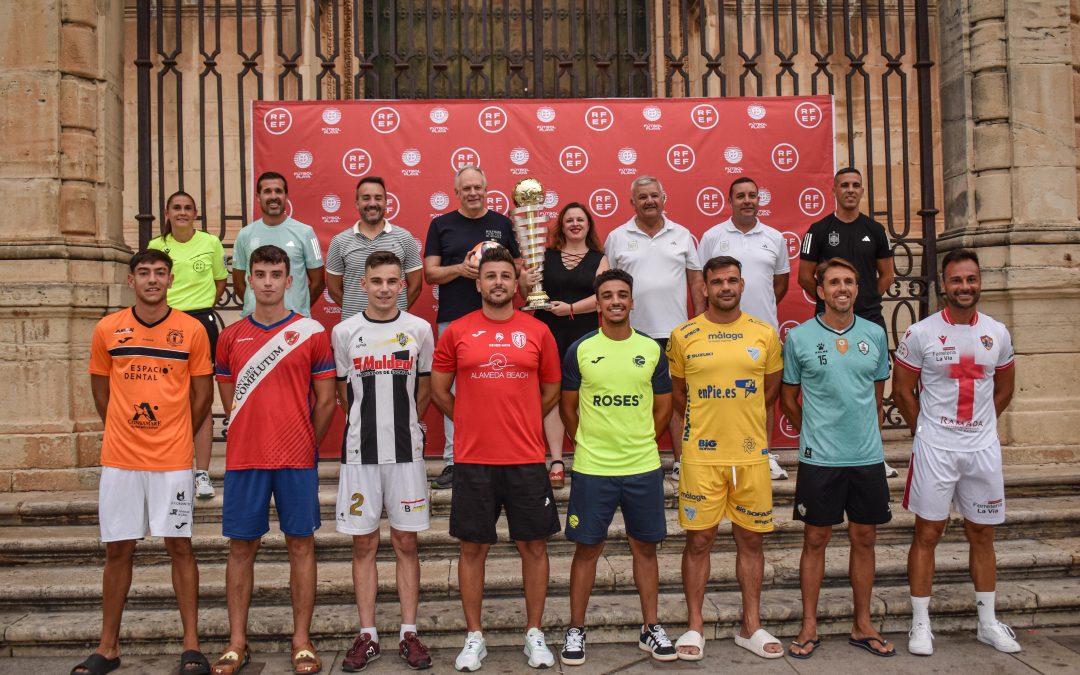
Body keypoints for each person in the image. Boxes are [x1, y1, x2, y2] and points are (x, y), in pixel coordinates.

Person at [77, 249, 213, 675]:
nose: (152, 279)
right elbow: (102, 391)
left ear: (171, 280)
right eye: (144, 273)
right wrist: (125, 428)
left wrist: (173, 435)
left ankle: (191, 646)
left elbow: (202, 397)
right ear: (131, 279)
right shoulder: (107, 329)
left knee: (179, 546)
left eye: (159, 272)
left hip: (172, 459)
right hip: (121, 458)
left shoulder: (191, 329)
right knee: (118, 548)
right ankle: (108, 647)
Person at [431, 247, 561, 671]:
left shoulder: (537, 331)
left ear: (516, 281)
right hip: (474, 459)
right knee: (473, 548)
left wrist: (522, 420)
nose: (499, 283)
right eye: (491, 276)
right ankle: (474, 637)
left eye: (507, 276)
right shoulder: (457, 331)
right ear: (478, 282)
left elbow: (552, 390)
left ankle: (534, 633)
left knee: (534, 546)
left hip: (525, 458)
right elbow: (439, 391)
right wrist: (469, 421)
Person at [211, 245, 337, 675]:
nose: (266, 281)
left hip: (295, 458)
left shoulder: (311, 332)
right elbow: (231, 401)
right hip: (245, 458)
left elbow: (325, 402)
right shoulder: (230, 336)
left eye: (275, 274)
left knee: (301, 545)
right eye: (259, 273)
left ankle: (301, 640)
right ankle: (236, 642)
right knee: (240, 547)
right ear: (250, 281)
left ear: (290, 280)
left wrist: (304, 439)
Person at [893, 248, 1019, 657]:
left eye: (971, 279)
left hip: (981, 449)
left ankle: (986, 622)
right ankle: (920, 623)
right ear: (943, 286)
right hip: (936, 448)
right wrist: (926, 430)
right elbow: (902, 391)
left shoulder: (997, 332)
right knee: (928, 532)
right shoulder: (921, 333)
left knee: (982, 533)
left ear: (979, 282)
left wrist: (980, 427)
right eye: (957, 280)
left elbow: (1003, 389)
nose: (965, 287)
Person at [667, 255, 783, 662]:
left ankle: (750, 626)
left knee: (750, 539)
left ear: (742, 284)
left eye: (732, 280)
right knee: (699, 540)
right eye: (717, 282)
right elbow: (679, 398)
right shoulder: (684, 335)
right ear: (705, 288)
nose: (725, 288)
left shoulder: (765, 334)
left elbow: (770, 393)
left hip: (749, 456)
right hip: (702, 457)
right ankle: (695, 625)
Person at [779, 258, 895, 659]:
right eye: (833, 282)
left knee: (865, 538)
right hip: (820, 458)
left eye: (848, 281)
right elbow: (789, 399)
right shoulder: (800, 338)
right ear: (820, 290)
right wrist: (815, 427)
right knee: (815, 539)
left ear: (857, 289)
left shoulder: (874, 334)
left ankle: (862, 624)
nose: (842, 288)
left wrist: (864, 430)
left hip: (865, 456)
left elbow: (877, 392)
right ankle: (809, 625)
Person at [558, 269, 674, 666]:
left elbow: (663, 407)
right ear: (598, 303)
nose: (616, 302)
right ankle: (576, 629)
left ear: (632, 301)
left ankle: (651, 627)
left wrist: (642, 440)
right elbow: (568, 409)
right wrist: (587, 441)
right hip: (594, 467)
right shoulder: (580, 350)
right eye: (607, 296)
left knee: (645, 547)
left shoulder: (653, 350)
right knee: (587, 549)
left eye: (622, 295)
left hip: (642, 465)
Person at [331, 251, 435, 671]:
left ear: (403, 286)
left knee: (406, 543)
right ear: (363, 285)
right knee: (364, 544)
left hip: (406, 456)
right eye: (377, 281)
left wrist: (407, 428)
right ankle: (368, 634)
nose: (386, 288)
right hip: (360, 456)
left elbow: (423, 391)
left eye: (394, 281)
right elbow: (343, 394)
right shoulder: (343, 332)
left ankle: (409, 632)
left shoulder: (420, 330)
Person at [423, 165, 521, 490]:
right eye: (467, 188)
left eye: (478, 187)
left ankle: (500, 452)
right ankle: (454, 461)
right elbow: (430, 274)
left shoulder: (502, 224)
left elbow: (517, 268)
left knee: (498, 383)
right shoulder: (441, 225)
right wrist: (461, 270)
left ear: (486, 188)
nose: (473, 193)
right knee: (451, 390)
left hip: (500, 320)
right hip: (454, 319)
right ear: (457, 192)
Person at [798, 166, 898, 477]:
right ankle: (825, 449)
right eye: (844, 185)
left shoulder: (876, 230)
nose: (850, 190)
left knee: (871, 392)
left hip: (868, 319)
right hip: (827, 324)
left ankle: (874, 453)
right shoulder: (818, 229)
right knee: (830, 390)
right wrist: (834, 302)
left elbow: (888, 274)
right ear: (834, 190)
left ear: (862, 191)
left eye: (856, 185)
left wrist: (861, 299)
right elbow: (804, 275)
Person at [604, 175, 703, 481]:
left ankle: (680, 460)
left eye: (654, 196)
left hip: (676, 334)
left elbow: (696, 281)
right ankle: (633, 461)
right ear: (632, 202)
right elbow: (608, 287)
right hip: (631, 335)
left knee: (676, 400)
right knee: (632, 399)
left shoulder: (683, 235)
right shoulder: (617, 237)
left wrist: (699, 324)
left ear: (664, 198)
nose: (649, 201)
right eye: (642, 197)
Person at [698, 177, 790, 481]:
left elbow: (780, 284)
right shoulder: (712, 236)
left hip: (763, 332)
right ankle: (720, 451)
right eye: (741, 196)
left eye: (753, 195)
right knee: (719, 394)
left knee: (766, 395)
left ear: (759, 200)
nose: (747, 200)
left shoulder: (775, 237)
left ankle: (764, 454)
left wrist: (756, 313)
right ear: (730, 200)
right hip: (719, 330)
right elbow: (703, 283)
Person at [520, 202, 609, 488]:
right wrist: (525, 280)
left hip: (585, 335)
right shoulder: (544, 255)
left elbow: (602, 297)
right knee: (553, 396)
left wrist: (570, 308)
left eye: (580, 219)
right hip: (548, 332)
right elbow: (528, 293)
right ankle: (556, 460)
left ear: (588, 225)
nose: (574, 224)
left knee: (584, 396)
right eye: (569, 220)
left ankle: (586, 455)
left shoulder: (600, 259)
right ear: (561, 225)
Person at [147, 191, 228, 499]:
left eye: (187, 208)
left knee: (201, 398)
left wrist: (202, 305)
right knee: (163, 396)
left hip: (200, 324)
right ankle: (169, 465)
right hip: (164, 324)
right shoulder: (157, 246)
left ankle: (202, 472)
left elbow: (220, 281)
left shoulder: (210, 243)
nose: (182, 212)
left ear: (196, 213)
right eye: (176, 208)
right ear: (167, 213)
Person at [325, 176, 423, 320]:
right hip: (354, 327)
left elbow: (416, 285)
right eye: (366, 198)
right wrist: (357, 314)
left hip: (395, 325)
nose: (372, 203)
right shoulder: (339, 241)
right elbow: (333, 289)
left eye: (378, 198)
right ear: (357, 203)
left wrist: (392, 311)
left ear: (385, 202)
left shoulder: (405, 238)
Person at [232, 171, 325, 318]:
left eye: (279, 191)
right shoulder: (245, 234)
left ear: (286, 196)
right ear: (258, 197)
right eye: (267, 191)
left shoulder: (306, 232)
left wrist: (298, 308)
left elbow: (318, 282)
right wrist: (258, 307)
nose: (273, 196)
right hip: (254, 321)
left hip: (295, 321)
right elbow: (238, 283)